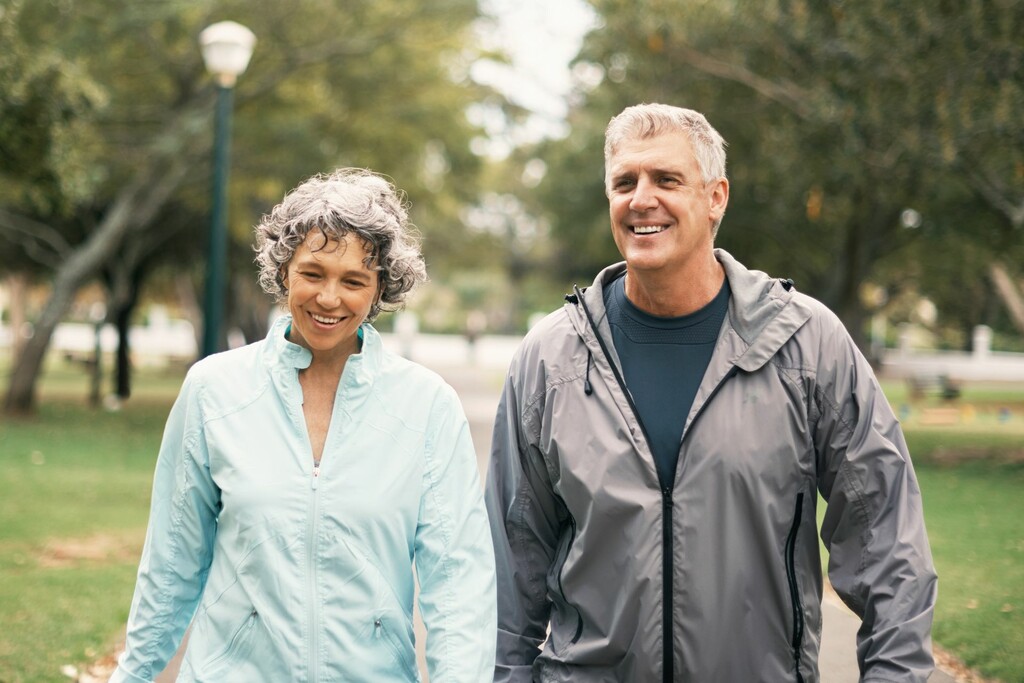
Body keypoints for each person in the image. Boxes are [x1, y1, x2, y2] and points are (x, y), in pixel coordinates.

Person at [485, 104, 937, 682]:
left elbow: (887, 538)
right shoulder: (550, 359)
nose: (640, 199)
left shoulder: (806, 344)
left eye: (666, 180)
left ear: (716, 196)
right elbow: (510, 565)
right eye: (624, 182)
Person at [111, 168, 496, 682]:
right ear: (284, 271)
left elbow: (457, 585)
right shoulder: (213, 390)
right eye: (313, 273)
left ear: (380, 287)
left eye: (354, 280)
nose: (329, 298)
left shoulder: (428, 406)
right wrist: (131, 676)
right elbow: (171, 563)